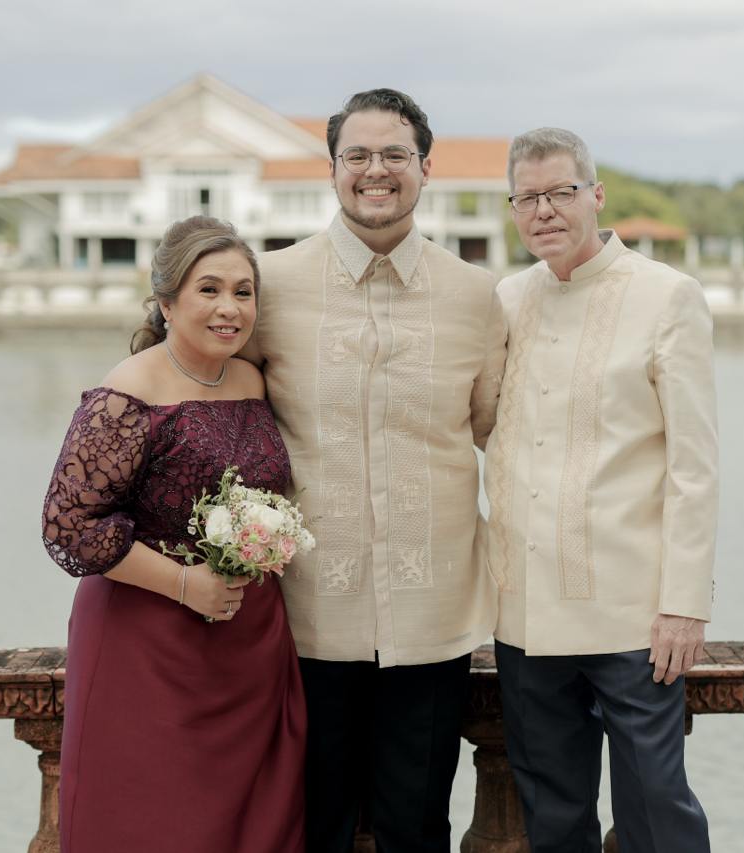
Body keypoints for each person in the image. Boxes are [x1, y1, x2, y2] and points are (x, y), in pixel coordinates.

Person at [241, 89, 506, 852]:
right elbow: (217, 415)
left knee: (418, 829)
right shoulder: (269, 285)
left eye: (394, 154)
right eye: (356, 155)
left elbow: (503, 439)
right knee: (312, 827)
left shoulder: (478, 295)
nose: (375, 170)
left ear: (425, 167)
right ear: (332, 169)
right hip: (305, 613)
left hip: (433, 616)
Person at [484, 128, 717, 852]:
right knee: (553, 818)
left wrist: (684, 603)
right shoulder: (507, 298)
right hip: (525, 613)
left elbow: (694, 465)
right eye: (528, 197)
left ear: (596, 195)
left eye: (561, 192)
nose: (544, 211)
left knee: (657, 812)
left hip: (631, 617)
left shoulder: (667, 295)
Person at [41, 216, 305, 853]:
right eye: (208, 289)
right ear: (166, 302)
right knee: (154, 821)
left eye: (243, 292)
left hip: (248, 644)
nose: (229, 308)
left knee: (254, 823)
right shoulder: (127, 392)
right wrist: (186, 584)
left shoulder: (252, 382)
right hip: (147, 643)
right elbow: (69, 526)